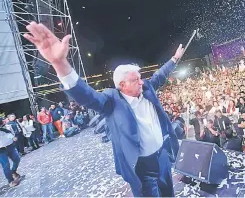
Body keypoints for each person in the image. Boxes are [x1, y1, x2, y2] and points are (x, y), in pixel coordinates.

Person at [24, 22, 183, 197]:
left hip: (162, 156)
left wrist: (174, 59)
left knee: (169, 193)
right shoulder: (111, 101)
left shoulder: (146, 88)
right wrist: (60, 63)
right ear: (122, 85)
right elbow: (87, 95)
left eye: (140, 78)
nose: (141, 82)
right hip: (141, 167)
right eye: (135, 80)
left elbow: (160, 75)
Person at [0, 122, 21, 187]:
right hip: (1, 150)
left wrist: (13, 137)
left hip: (10, 146)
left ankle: (13, 171)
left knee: (17, 159)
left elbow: (8, 133)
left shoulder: (5, 127)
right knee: (6, 165)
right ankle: (11, 180)